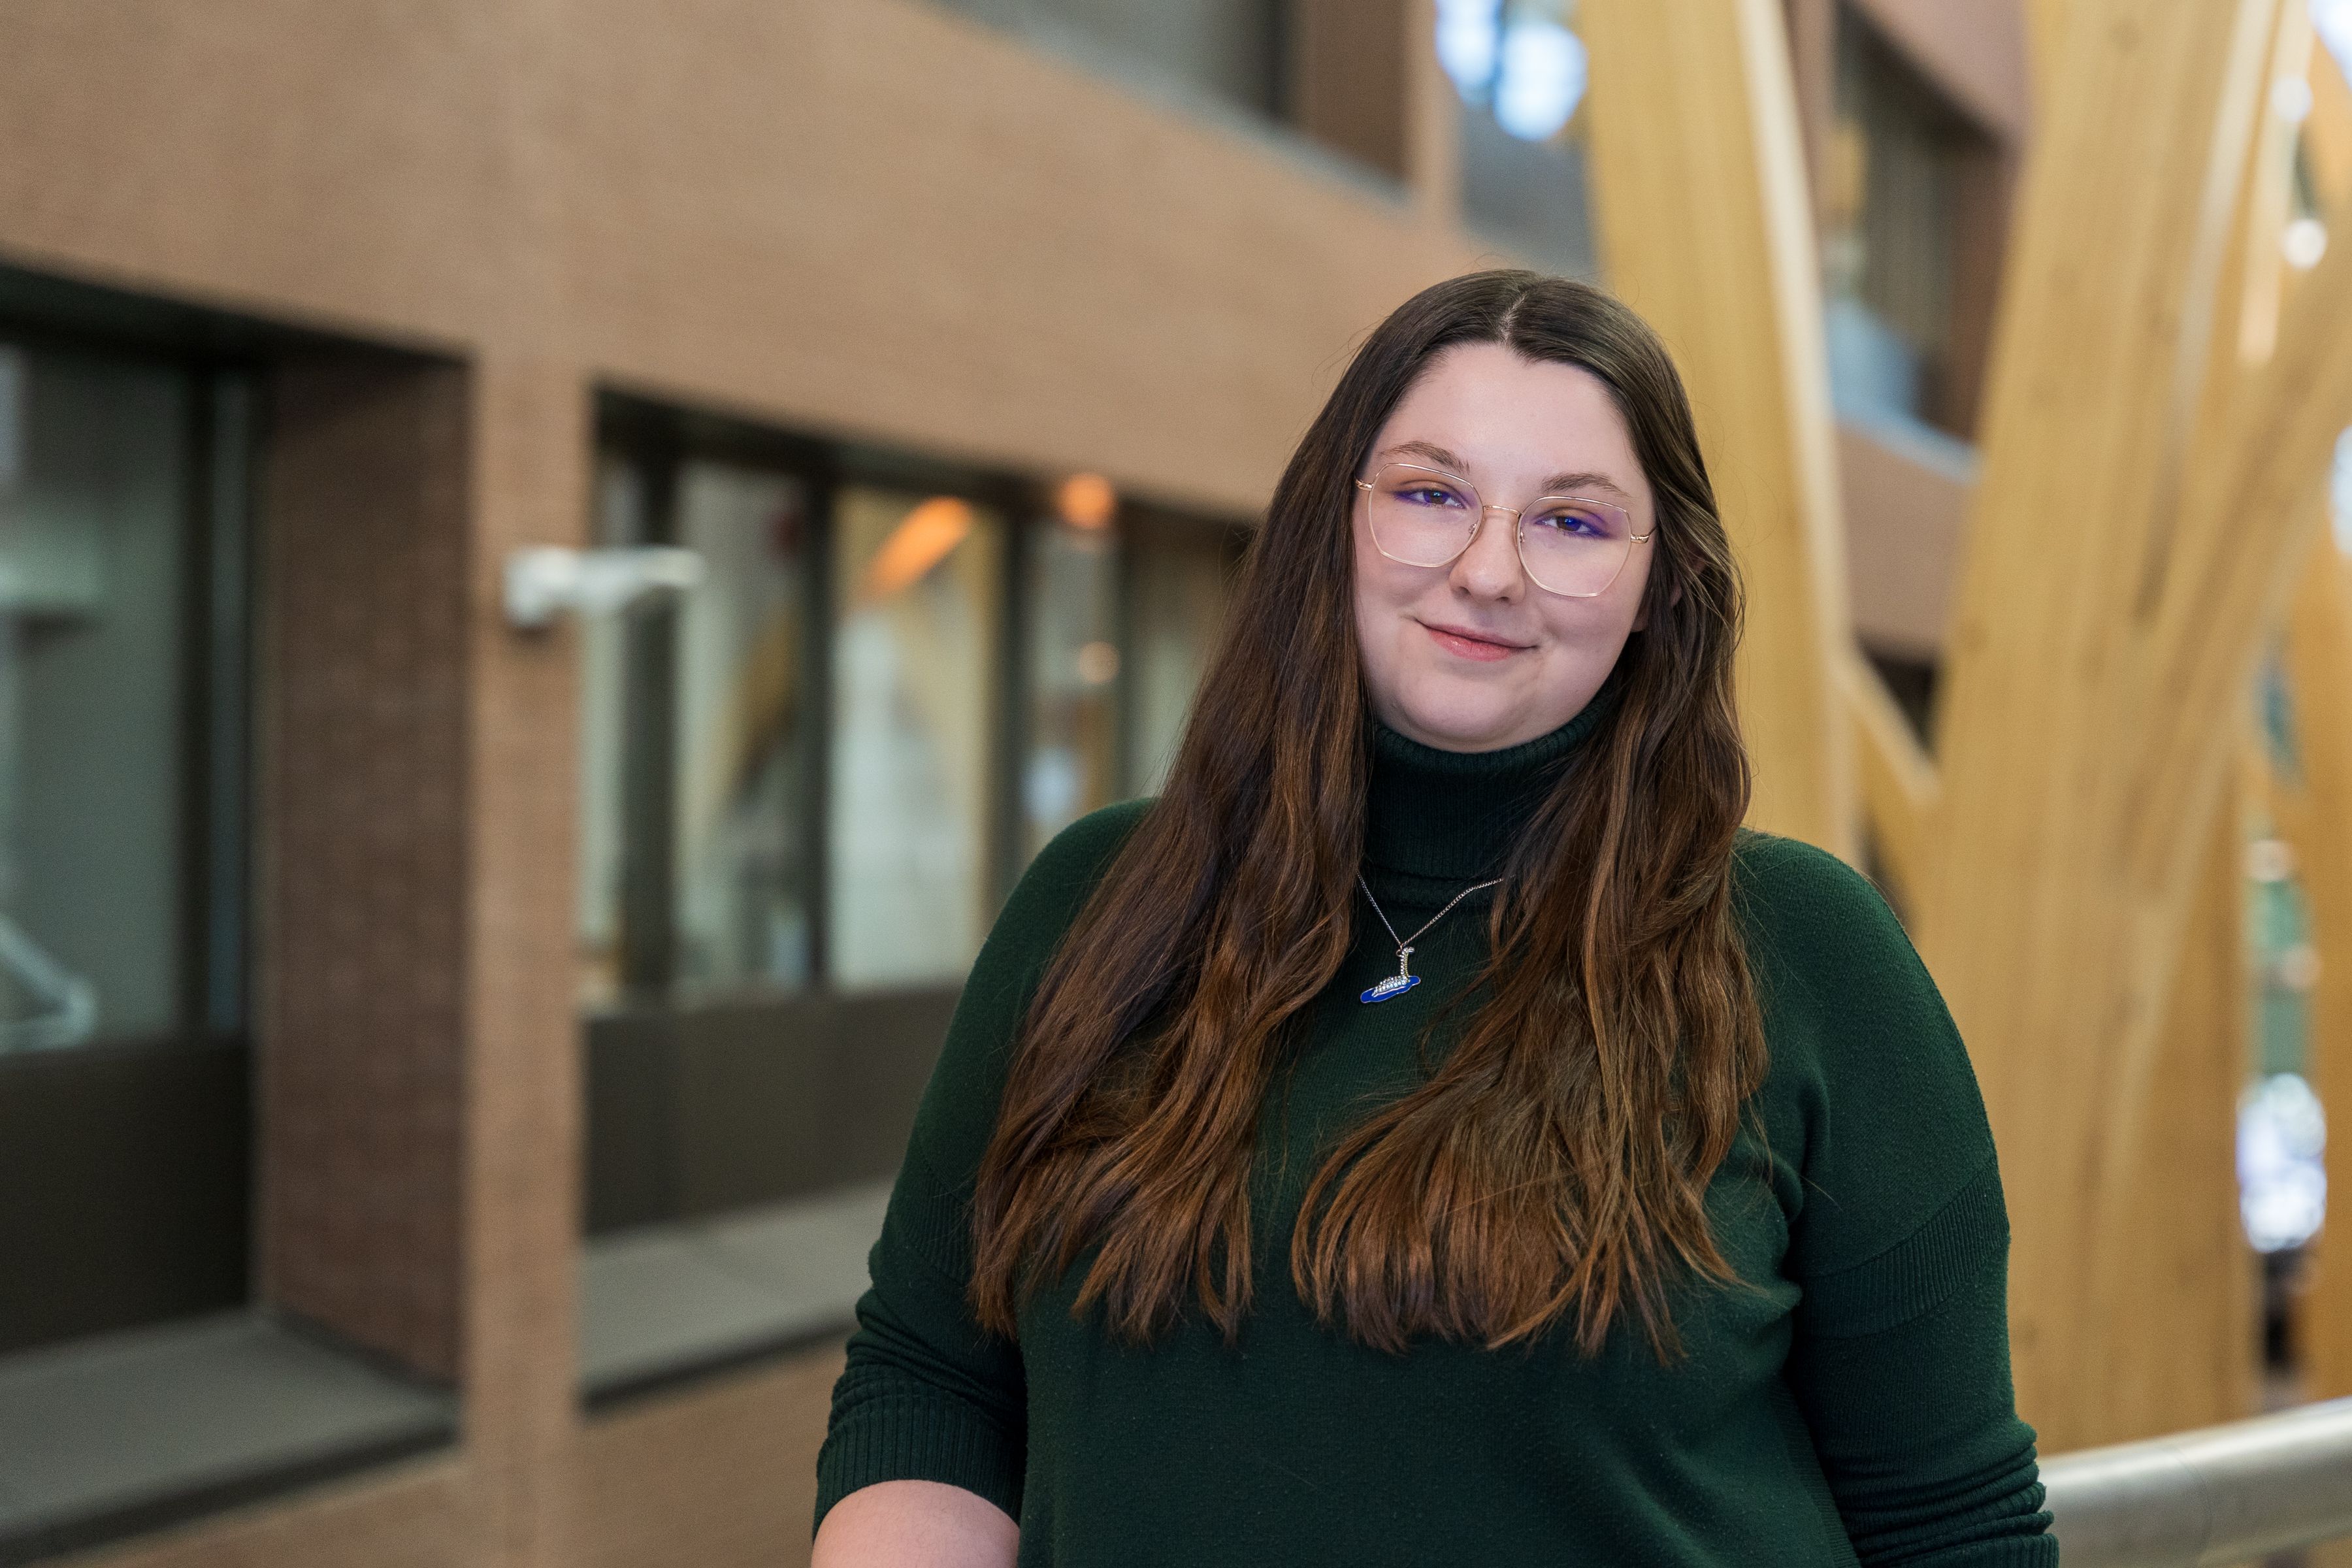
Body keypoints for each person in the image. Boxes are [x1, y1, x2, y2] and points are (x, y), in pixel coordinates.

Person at [811, 270, 2053, 1566]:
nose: (1486, 572)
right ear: (1332, 525)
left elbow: (1954, 1525)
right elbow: (933, 1376)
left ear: (1661, 590)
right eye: (1430, 495)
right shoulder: (1103, 904)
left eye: (1571, 523)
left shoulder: (1805, 953)